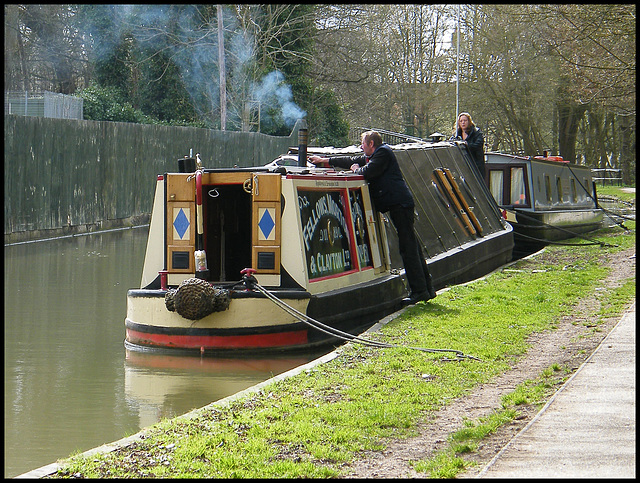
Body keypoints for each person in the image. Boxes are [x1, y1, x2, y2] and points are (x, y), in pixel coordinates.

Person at [309, 131, 436, 304]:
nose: (361, 146)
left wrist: (356, 170)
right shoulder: (375, 154)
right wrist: (325, 160)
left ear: (371, 144)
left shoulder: (383, 153)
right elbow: (350, 160)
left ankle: (419, 291)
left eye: (363, 143)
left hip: (400, 204)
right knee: (412, 246)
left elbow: (367, 172)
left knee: (408, 249)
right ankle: (426, 289)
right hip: (398, 204)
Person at [451, 112, 485, 178]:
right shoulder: (456, 135)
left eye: (465, 120)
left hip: (475, 165)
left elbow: (478, 145)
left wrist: (467, 145)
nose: (463, 122)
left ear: (469, 121)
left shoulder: (477, 133)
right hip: (462, 165)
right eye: (461, 121)